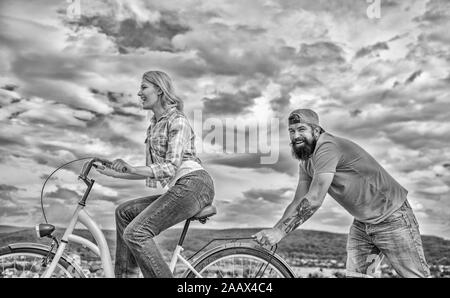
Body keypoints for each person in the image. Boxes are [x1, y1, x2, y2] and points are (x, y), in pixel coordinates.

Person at [253, 108, 430, 278]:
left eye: (301, 129)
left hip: (392, 217)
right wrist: (275, 230)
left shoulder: (328, 146)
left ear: (316, 130)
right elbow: (298, 201)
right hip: (363, 223)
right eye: (291, 131)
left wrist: (280, 233)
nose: (296, 135)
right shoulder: (306, 163)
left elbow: (314, 199)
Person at [95, 70, 215, 278]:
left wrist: (130, 168)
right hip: (181, 187)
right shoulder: (153, 127)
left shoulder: (177, 120)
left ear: (159, 89)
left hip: (194, 184)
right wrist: (112, 173)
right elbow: (150, 172)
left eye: (143, 87)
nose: (138, 93)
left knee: (136, 233)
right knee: (124, 212)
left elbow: (169, 167)